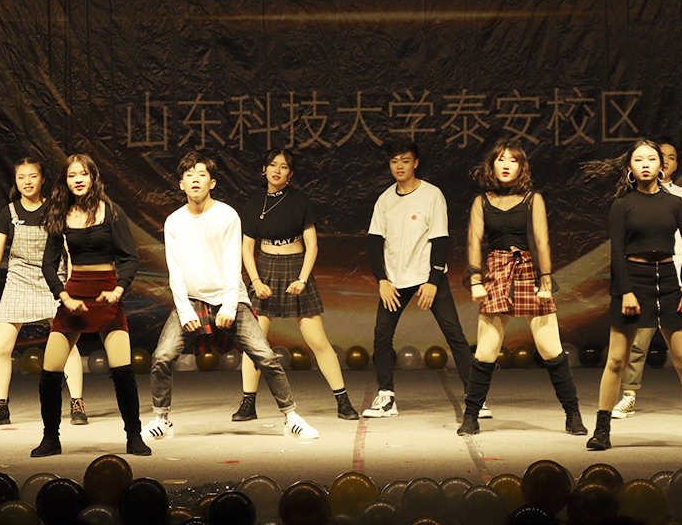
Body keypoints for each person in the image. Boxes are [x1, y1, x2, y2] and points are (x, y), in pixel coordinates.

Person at [141, 152, 319, 440]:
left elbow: (232, 264)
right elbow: (175, 270)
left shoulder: (226, 215)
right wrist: (185, 311)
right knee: (162, 357)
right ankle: (162, 419)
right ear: (181, 184)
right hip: (192, 301)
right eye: (189, 175)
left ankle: (291, 417)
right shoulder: (174, 221)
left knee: (265, 356)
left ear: (212, 183)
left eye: (201, 174)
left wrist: (228, 306)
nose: (195, 179)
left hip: (229, 299)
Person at [587, 139, 682, 451]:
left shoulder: (676, 203)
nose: (646, 164)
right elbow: (616, 253)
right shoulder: (622, 205)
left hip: (668, 281)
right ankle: (602, 430)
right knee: (617, 359)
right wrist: (626, 291)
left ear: (662, 166)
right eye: (639, 160)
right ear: (630, 168)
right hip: (632, 280)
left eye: (652, 159)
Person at [458, 139, 586, 436]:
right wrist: (475, 280)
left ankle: (573, 415)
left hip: (528, 269)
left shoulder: (532, 199)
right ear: (492, 165)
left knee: (550, 348)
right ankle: (471, 416)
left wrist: (545, 282)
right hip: (496, 271)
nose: (506, 165)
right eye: (500, 159)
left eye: (512, 160)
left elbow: (542, 241)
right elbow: (473, 242)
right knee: (486, 350)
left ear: (521, 167)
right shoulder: (481, 201)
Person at [32, 154, 150, 457]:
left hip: (107, 295)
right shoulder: (60, 214)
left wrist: (118, 290)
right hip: (74, 295)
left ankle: (134, 436)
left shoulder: (111, 211)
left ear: (93, 177)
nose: (78, 180)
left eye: (83, 174)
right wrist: (64, 297)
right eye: (72, 175)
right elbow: (48, 264)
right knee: (50, 372)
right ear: (65, 181)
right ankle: (50, 438)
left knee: (123, 372)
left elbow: (130, 258)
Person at [232, 148, 358, 421]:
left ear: (290, 173)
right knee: (254, 343)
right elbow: (247, 249)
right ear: (264, 169)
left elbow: (312, 245)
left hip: (296, 268)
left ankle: (343, 402)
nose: (277, 170)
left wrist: (302, 279)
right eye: (272, 165)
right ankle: (247, 404)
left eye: (284, 167)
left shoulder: (300, 202)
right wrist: (256, 282)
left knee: (318, 341)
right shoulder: (253, 204)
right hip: (265, 270)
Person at [363, 141, 472, 417]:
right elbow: (374, 242)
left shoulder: (432, 195)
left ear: (416, 163)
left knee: (454, 334)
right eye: (394, 161)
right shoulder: (385, 200)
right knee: (381, 335)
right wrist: (382, 280)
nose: (399, 166)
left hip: (428, 277)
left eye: (405, 160)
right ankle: (386, 397)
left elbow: (441, 239)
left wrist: (433, 280)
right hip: (394, 281)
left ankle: (476, 397)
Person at [0, 157, 87, 427]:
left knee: (68, 343)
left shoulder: (56, 209)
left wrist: (72, 285)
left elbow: (70, 250)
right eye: (21, 177)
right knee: (2, 346)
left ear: (42, 179)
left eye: (33, 176)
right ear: (16, 182)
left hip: (52, 280)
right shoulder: (9, 212)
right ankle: (0, 405)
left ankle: (77, 403)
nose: (27, 182)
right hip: (18, 281)